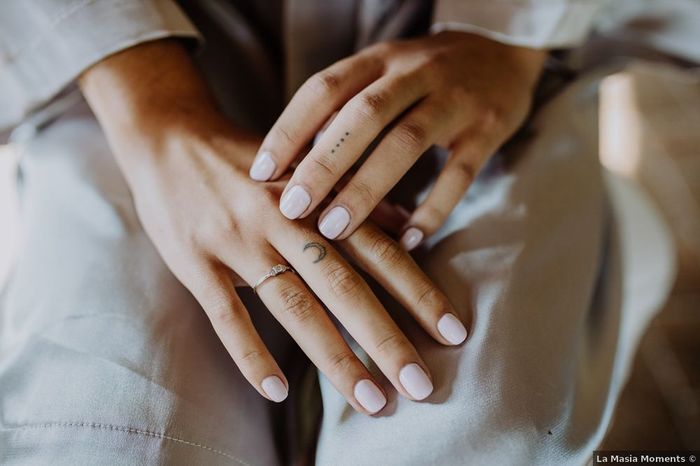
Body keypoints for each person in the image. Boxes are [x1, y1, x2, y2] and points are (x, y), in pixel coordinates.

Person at [0, 1, 645, 465]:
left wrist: (508, 39)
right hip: (143, 56)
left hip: (459, 53)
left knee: (480, 424)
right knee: (103, 431)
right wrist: (153, 112)